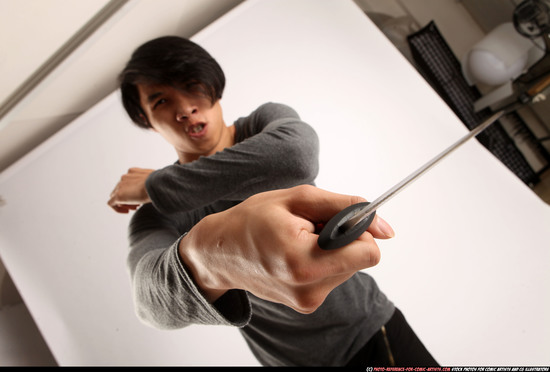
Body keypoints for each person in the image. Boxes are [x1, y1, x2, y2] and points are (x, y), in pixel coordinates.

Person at [108, 36, 437, 366]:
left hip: (368, 329)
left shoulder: (264, 124)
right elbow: (148, 302)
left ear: (214, 87)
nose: (184, 108)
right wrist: (210, 259)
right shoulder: (158, 214)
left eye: (192, 85)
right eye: (161, 101)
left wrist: (158, 184)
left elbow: (296, 155)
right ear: (147, 122)